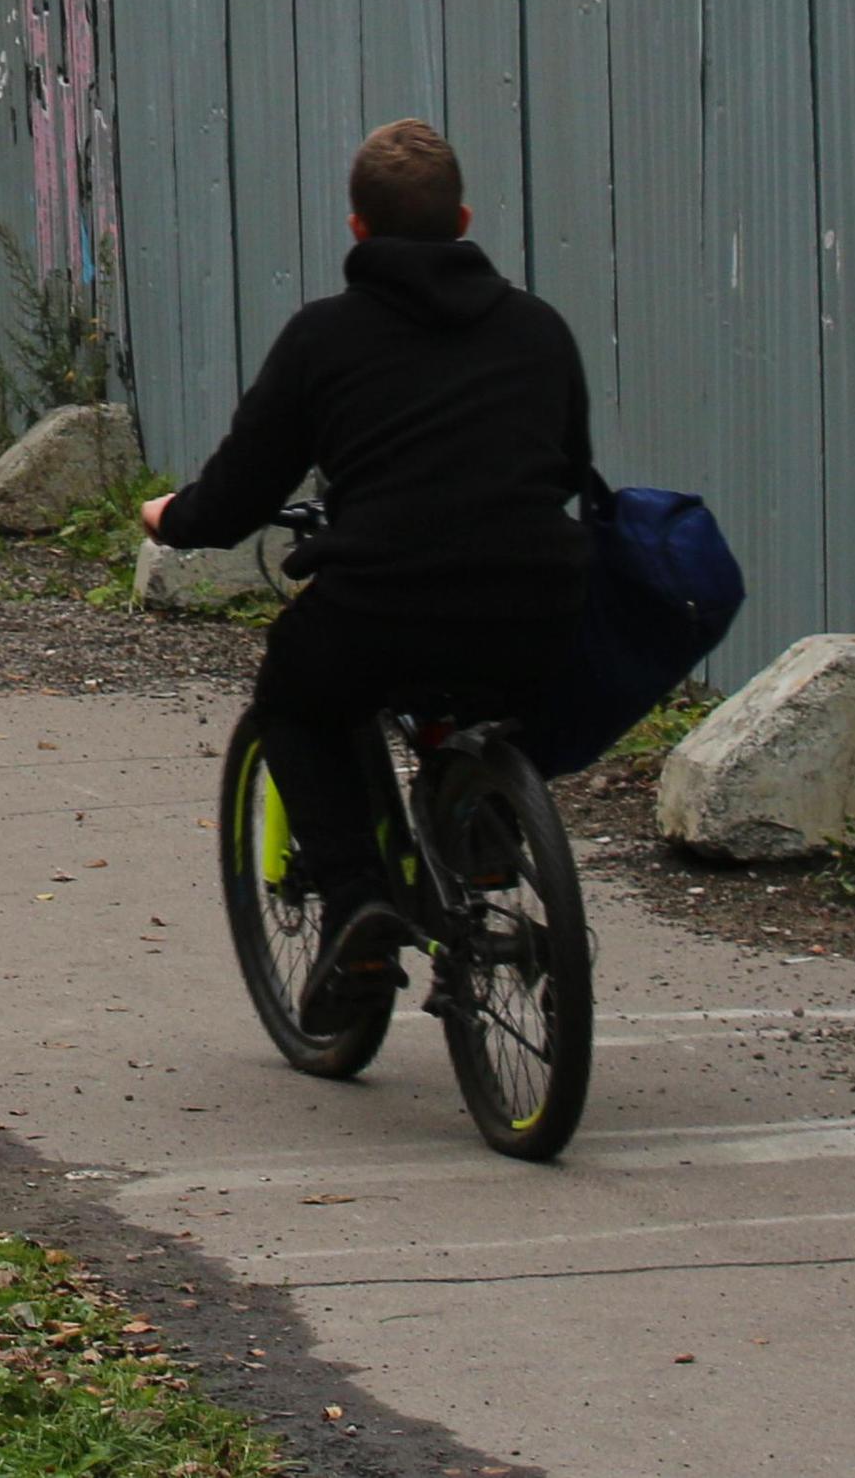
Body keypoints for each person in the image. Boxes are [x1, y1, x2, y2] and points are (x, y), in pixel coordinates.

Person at [141, 117, 601, 1010]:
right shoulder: (539, 328)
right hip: (537, 606)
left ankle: (355, 909)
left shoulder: (323, 338)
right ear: (463, 219)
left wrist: (173, 519)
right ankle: (484, 820)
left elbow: (238, 495)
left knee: (296, 698)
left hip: (384, 603)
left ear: (357, 228)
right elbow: (571, 464)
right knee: (494, 681)